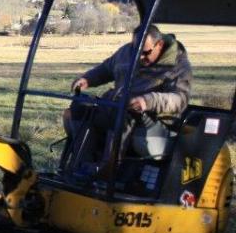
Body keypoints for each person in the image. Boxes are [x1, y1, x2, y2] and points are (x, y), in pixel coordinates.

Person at [66, 24, 192, 171]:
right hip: (116, 106)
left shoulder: (178, 66)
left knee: (124, 113)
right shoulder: (127, 52)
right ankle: (79, 167)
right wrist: (87, 79)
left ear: (160, 44)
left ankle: (108, 170)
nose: (140, 57)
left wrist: (148, 100)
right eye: (136, 51)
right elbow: (106, 68)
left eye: (145, 53)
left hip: (151, 118)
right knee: (80, 107)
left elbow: (179, 99)